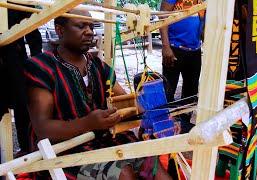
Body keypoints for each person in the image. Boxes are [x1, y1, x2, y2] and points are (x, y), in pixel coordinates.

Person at [23, 9, 171, 179]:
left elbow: (127, 104)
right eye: (81, 26)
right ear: (60, 30)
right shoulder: (41, 68)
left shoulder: (97, 66)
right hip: (64, 150)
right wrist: (88, 123)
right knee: (123, 173)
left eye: (91, 27)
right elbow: (42, 129)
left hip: (104, 140)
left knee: (153, 165)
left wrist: (151, 114)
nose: (89, 32)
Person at [0, 6, 42, 153]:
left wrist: (37, 64)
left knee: (22, 103)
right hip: (12, 57)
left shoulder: (19, 3)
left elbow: (32, 29)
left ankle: (26, 148)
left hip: (14, 58)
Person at [159, 0, 205, 134]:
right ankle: (165, 127)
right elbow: (162, 16)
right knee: (168, 90)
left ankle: (184, 128)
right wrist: (165, 46)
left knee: (191, 92)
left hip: (195, 50)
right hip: (174, 48)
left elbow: (202, 20)